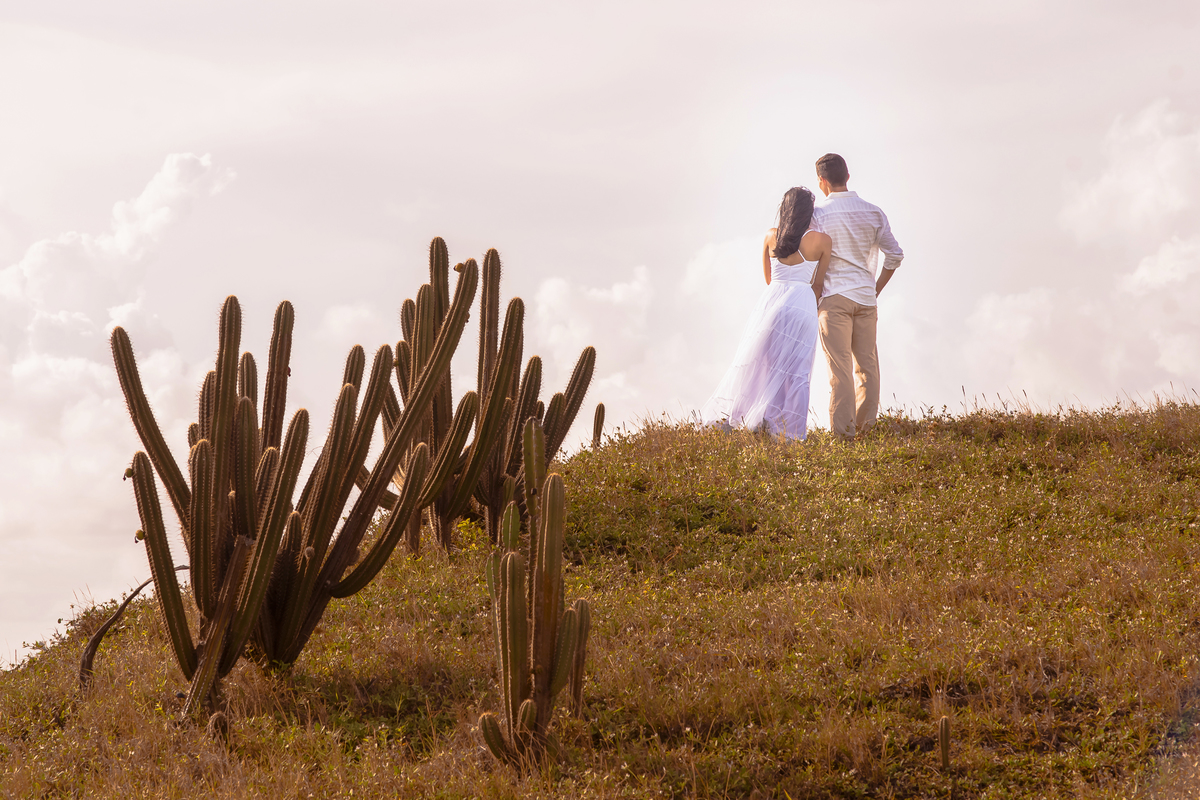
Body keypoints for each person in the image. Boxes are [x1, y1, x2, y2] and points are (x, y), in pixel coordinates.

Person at [700, 187, 831, 439]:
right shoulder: (822, 241)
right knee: (798, 371)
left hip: (773, 304)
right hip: (803, 304)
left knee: (761, 365)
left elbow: (769, 279)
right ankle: (791, 433)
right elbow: (817, 285)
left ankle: (750, 419)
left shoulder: (771, 236)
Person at [810, 153, 904, 440]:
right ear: (848, 177)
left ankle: (843, 436)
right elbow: (896, 256)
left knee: (840, 370)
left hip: (834, 297)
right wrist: (875, 288)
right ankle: (866, 431)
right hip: (865, 298)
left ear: (821, 182)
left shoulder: (818, 215)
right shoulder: (874, 212)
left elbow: (810, 257)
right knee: (867, 367)